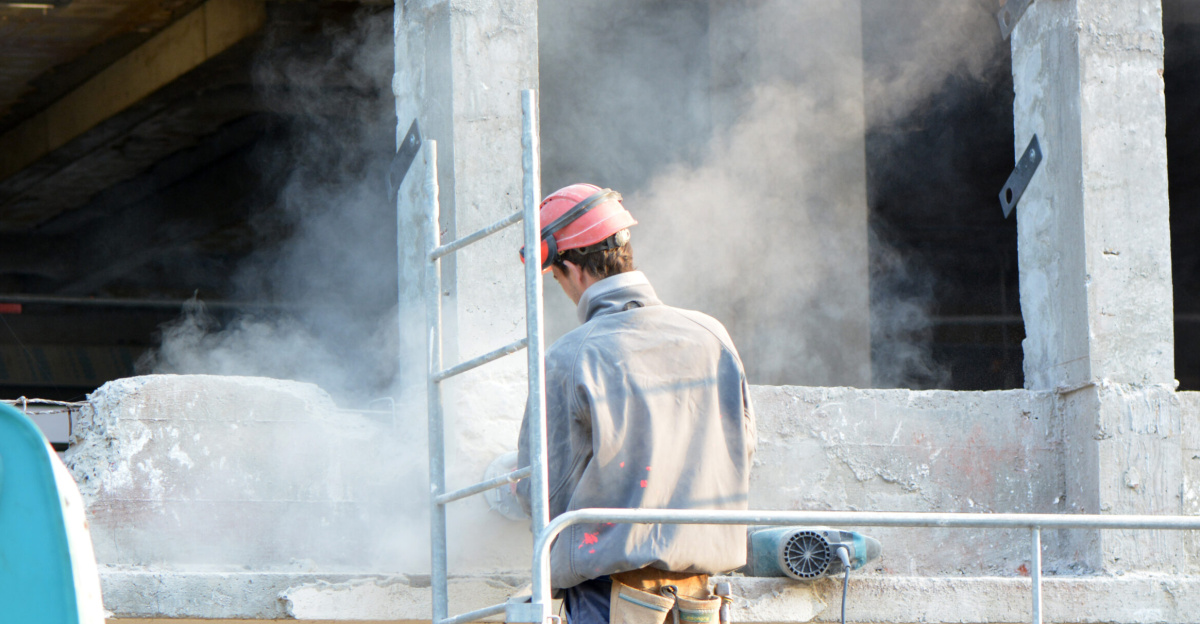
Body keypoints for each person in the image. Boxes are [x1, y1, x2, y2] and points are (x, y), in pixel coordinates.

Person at [514, 183, 757, 624]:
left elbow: (546, 493)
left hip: (611, 602)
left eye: (558, 277)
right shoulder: (711, 336)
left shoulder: (571, 356)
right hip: (702, 599)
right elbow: (743, 449)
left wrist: (513, 487)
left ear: (572, 268)